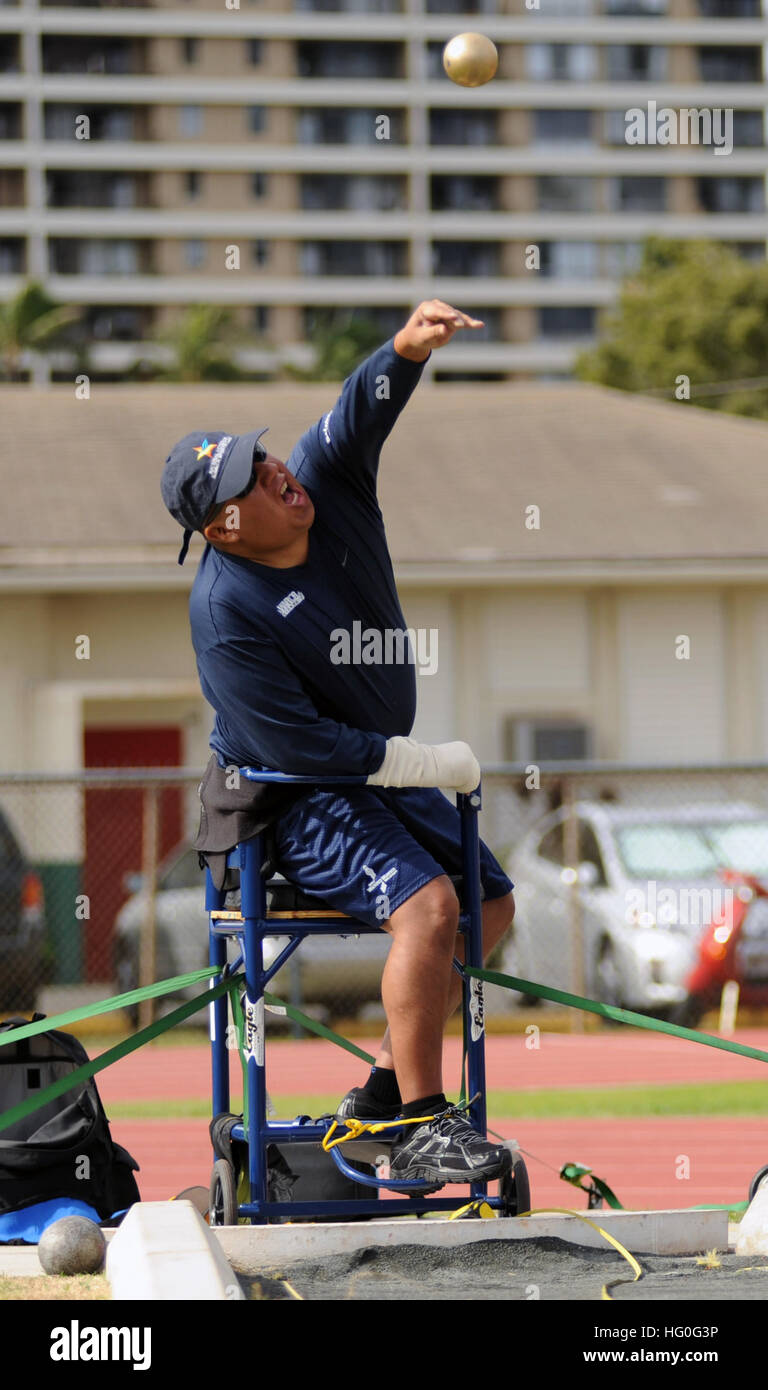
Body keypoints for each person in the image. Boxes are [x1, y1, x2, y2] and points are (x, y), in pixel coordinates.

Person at [161, 301, 516, 1189]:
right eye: (252, 477)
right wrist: (425, 763)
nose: (276, 470)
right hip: (287, 796)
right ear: (224, 530)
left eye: (263, 453)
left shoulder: (324, 483)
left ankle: (381, 1099)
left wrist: (403, 350)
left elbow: (361, 409)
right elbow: (302, 746)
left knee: (495, 906)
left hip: (366, 774)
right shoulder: (225, 611)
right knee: (431, 907)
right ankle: (427, 1129)